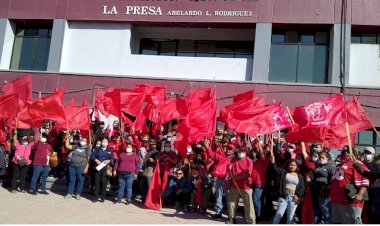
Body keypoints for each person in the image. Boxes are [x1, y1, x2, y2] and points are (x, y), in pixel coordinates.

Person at [330, 150, 369, 224]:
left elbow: (364, 180)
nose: (342, 153)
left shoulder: (358, 164)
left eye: (345, 152)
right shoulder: (339, 165)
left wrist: (360, 194)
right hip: (336, 200)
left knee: (352, 222)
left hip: (349, 201)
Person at [270, 151, 306, 224]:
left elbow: (302, 188)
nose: (292, 166)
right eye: (290, 165)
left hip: (293, 198)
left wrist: (298, 196)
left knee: (290, 218)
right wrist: (273, 162)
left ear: (297, 166)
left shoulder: (300, 176)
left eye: (294, 165)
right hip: (283, 197)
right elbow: (276, 170)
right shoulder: (284, 172)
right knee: (278, 215)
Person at [227, 146, 256, 224]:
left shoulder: (249, 161)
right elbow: (229, 167)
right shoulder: (234, 159)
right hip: (234, 185)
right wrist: (229, 168)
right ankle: (231, 218)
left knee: (248, 205)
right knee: (231, 203)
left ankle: (251, 221)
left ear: (246, 153)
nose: (240, 153)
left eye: (242, 152)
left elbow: (248, 174)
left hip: (246, 186)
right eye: (239, 151)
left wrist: (237, 177)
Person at [310, 150, 335, 224]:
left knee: (326, 211)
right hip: (316, 191)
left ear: (327, 158)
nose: (320, 159)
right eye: (319, 157)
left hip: (325, 192)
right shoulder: (318, 165)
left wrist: (328, 191)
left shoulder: (331, 166)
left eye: (322, 157)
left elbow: (333, 179)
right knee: (316, 211)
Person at [64, 132, 91, 200]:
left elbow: (88, 160)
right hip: (72, 166)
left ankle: (78, 194)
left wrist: (86, 168)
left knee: (80, 180)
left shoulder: (87, 149)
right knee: (72, 180)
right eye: (82, 140)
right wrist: (67, 138)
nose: (83, 141)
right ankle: (69, 193)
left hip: (81, 167)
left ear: (87, 142)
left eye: (85, 141)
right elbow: (67, 146)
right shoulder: (76, 146)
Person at [91, 137, 114, 202]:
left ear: (107, 143)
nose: (104, 143)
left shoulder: (110, 150)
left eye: (106, 141)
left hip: (105, 168)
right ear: (101, 142)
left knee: (104, 183)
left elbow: (112, 159)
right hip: (98, 168)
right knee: (97, 182)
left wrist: (109, 160)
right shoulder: (97, 149)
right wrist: (96, 160)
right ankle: (95, 197)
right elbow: (92, 156)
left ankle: (103, 197)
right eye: (103, 141)